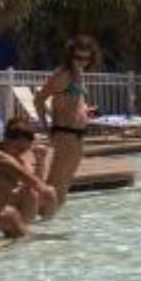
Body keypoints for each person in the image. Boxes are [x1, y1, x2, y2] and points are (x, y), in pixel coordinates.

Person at [33, 35, 99, 209]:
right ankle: (35, 219)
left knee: (64, 184)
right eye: (78, 58)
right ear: (70, 56)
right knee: (54, 183)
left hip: (78, 135)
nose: (82, 62)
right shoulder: (63, 74)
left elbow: (71, 102)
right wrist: (47, 128)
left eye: (87, 58)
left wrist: (84, 111)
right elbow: (39, 100)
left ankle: (52, 223)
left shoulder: (79, 74)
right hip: (65, 134)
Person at [0, 118, 59, 238]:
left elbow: (37, 183)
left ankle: (46, 226)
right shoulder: (0, 158)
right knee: (29, 193)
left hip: (10, 202)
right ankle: (24, 231)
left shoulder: (20, 160)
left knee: (50, 191)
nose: (21, 152)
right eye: (18, 148)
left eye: (25, 149)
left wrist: (40, 161)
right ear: (6, 140)